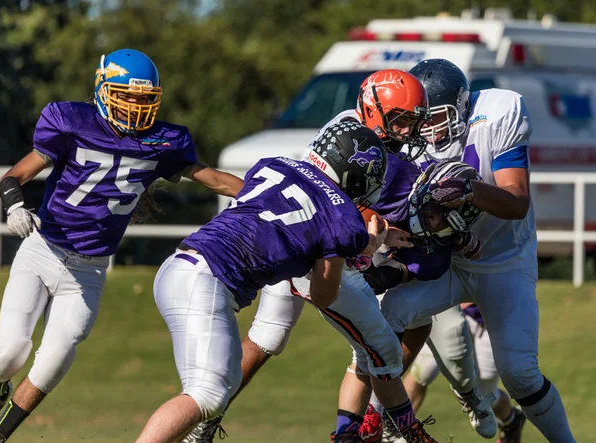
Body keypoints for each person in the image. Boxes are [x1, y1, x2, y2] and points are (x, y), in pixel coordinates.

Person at [183, 70, 493, 443]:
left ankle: (372, 422)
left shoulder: (378, 142)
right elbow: (344, 208)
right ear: (375, 110)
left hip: (324, 244)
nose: (411, 132)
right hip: (321, 248)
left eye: (415, 122)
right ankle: (376, 425)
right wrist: (416, 233)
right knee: (357, 340)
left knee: (294, 336)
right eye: (403, 121)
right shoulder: (355, 137)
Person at [0, 48, 244, 443]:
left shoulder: (165, 141)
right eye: (126, 95)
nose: (134, 106)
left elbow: (213, 179)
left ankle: (1, 433)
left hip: (89, 270)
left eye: (144, 100)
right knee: (7, 353)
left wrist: (270, 191)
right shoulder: (72, 122)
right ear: (102, 89)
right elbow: (15, 176)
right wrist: (13, 205)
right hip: (42, 250)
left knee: (55, 359)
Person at [135, 121, 391, 443]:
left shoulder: (280, 167)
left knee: (224, 384)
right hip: (207, 281)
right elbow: (324, 295)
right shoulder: (340, 217)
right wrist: (365, 250)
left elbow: (230, 186)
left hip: (180, 266)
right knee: (208, 395)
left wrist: (189, 168)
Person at [377, 58, 575, 442]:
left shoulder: (498, 112)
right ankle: (372, 424)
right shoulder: (408, 142)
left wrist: (469, 190)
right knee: (392, 312)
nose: (427, 130)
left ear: (461, 107)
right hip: (449, 262)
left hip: (503, 261)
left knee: (518, 373)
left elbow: (516, 202)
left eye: (435, 117)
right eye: (420, 120)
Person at [403, 303, 527, 442]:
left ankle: (512, 419)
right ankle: (396, 431)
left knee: (485, 395)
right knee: (425, 370)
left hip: (493, 322)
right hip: (449, 308)